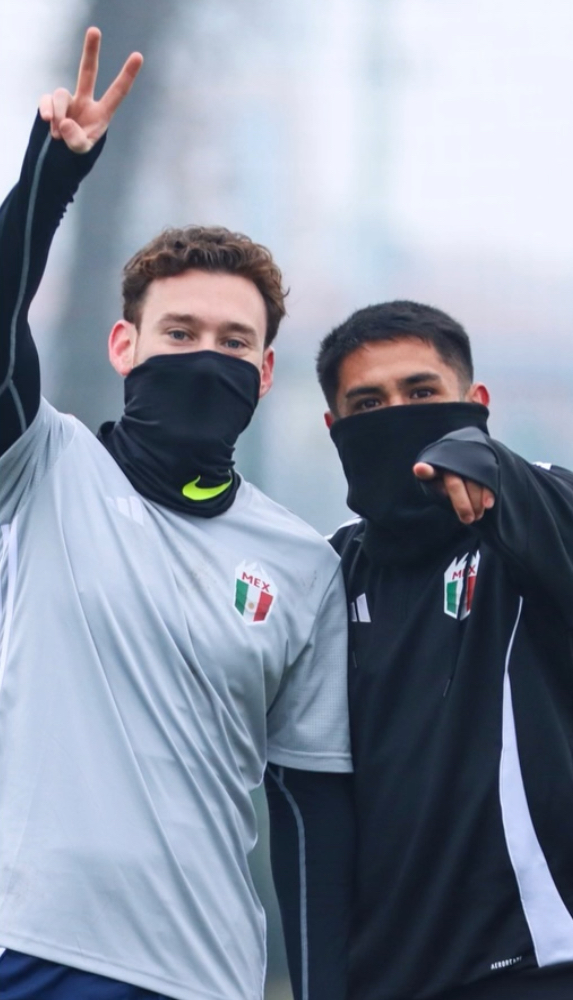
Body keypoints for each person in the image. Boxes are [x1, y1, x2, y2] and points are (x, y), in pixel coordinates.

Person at [0, 28, 352, 1000]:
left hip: (205, 977)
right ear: (124, 345)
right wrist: (52, 177)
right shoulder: (44, 467)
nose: (207, 355)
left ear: (266, 371)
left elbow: (312, 809)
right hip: (29, 948)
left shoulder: (303, 562)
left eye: (234, 339)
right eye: (179, 332)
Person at [316, 299, 573, 1000]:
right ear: (334, 430)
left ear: (475, 402)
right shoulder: (328, 571)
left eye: (422, 393)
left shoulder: (534, 515)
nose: (398, 415)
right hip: (381, 977)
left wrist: (484, 458)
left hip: (532, 964)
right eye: (368, 404)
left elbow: (544, 504)